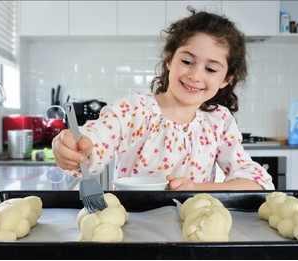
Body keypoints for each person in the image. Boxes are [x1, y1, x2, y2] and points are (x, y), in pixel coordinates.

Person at [52, 7, 275, 191]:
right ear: (170, 59)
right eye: (187, 61)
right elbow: (95, 140)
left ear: (226, 79)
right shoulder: (134, 109)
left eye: (210, 68)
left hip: (193, 232)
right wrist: (74, 147)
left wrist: (197, 188)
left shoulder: (219, 121)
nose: (195, 75)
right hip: (134, 228)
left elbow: (256, 183)